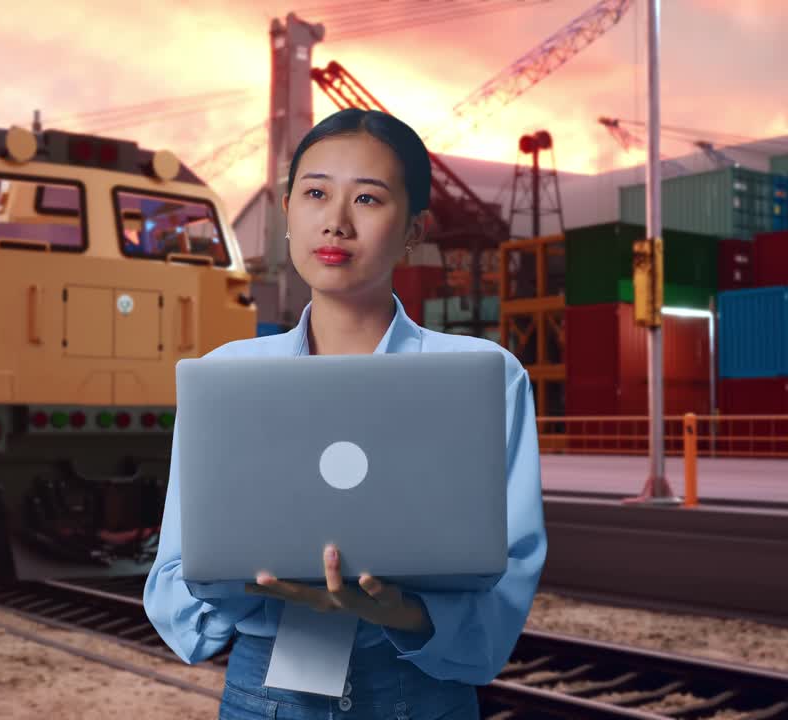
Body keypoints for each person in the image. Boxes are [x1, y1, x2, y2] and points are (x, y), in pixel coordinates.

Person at [143, 107, 547, 720]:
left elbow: (507, 583)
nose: (335, 222)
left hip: (420, 694)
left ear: (414, 228)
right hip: (266, 695)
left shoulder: (486, 378)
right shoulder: (228, 376)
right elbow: (175, 581)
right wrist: (249, 592)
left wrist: (404, 614)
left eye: (367, 198)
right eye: (314, 193)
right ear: (287, 213)